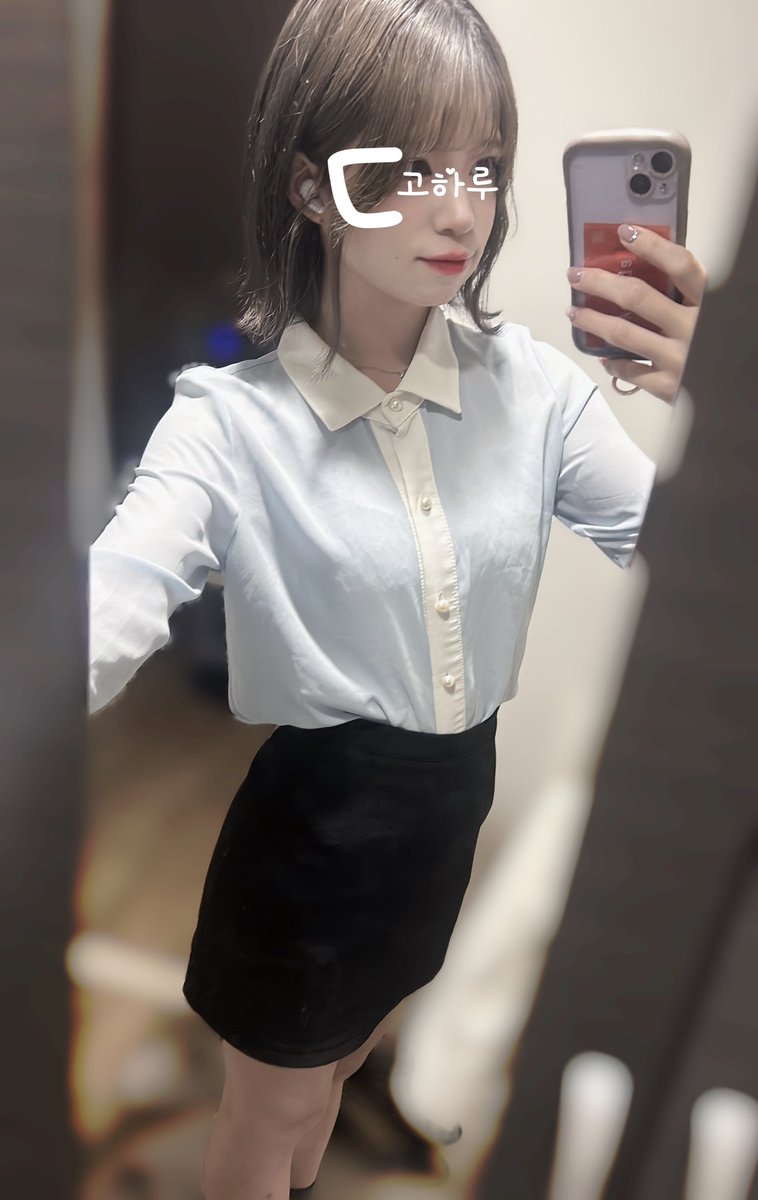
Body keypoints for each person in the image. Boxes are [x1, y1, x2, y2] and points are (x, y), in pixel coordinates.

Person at [87, 0, 707, 1196]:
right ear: (311, 186)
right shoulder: (230, 426)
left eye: (481, 166)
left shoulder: (534, 394)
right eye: (414, 167)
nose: (459, 209)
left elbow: (691, 571)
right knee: (268, 1117)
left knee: (328, 1089)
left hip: (439, 829)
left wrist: (719, 401)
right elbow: (111, 605)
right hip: (310, 842)